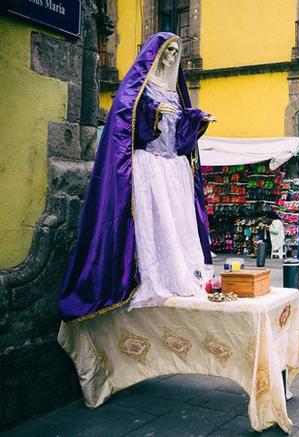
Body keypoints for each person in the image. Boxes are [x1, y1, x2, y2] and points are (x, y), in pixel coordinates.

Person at [59, 33, 215, 320]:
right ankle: (149, 277)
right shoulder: (138, 88)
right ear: (154, 54)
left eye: (175, 53)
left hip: (173, 169)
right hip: (149, 167)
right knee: (153, 222)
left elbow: (180, 138)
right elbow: (126, 122)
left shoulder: (174, 92)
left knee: (175, 223)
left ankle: (179, 275)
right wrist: (152, 113)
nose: (171, 57)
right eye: (167, 51)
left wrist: (195, 120)